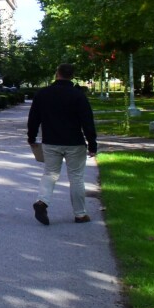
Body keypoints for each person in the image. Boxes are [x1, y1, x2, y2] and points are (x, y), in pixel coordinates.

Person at [27, 63, 98, 225]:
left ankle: (42, 202)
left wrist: (31, 138)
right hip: (75, 143)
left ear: (56, 73)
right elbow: (87, 122)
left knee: (50, 173)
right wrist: (92, 144)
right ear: (72, 76)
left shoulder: (43, 94)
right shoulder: (78, 95)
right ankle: (80, 214)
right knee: (76, 178)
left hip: (51, 141)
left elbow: (33, 119)